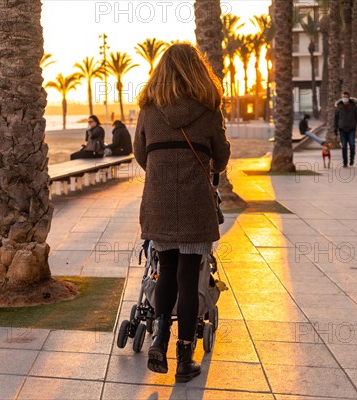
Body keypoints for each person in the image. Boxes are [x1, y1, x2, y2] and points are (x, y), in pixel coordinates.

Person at [133, 43, 230, 382]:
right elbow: (221, 158)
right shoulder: (209, 110)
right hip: (194, 207)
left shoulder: (148, 110)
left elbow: (140, 155)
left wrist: (162, 171)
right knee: (190, 278)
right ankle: (184, 357)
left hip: (158, 206)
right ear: (197, 71)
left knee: (165, 272)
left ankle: (160, 339)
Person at [334, 92, 357, 167]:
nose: (345, 99)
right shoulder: (339, 106)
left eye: (346, 97)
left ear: (349, 97)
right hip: (342, 129)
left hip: (351, 129)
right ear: (341, 97)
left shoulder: (353, 106)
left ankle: (352, 159)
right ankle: (345, 162)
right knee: (344, 146)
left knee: (352, 144)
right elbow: (336, 118)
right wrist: (335, 128)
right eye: (343, 97)